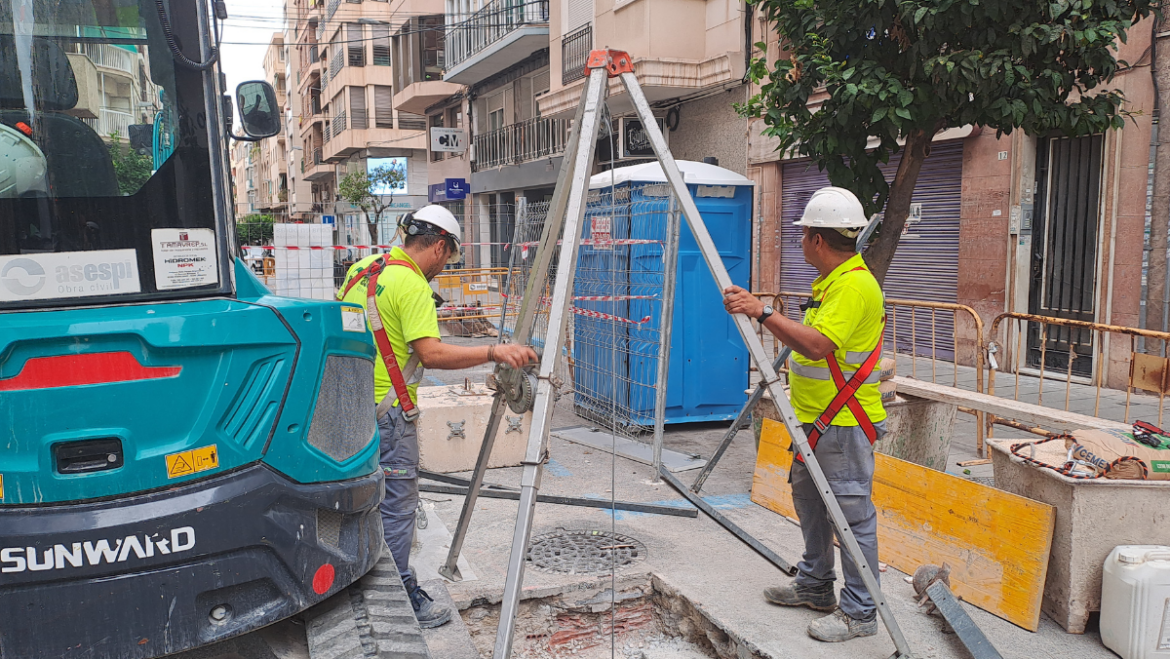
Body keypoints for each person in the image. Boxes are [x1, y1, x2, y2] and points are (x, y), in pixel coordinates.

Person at [338, 205, 536, 629]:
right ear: (440, 247)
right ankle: (399, 595)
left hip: (350, 407)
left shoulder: (362, 270)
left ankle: (357, 580)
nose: (444, 267)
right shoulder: (411, 284)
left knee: (361, 501)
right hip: (389, 415)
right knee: (397, 506)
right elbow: (431, 353)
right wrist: (493, 351)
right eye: (448, 258)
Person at [722, 186, 886, 643]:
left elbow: (816, 346)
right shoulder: (833, 283)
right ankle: (815, 585)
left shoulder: (853, 286)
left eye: (804, 234)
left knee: (852, 519)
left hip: (843, 425)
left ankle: (861, 611)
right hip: (815, 421)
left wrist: (761, 311)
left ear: (816, 239)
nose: (800, 241)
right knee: (811, 505)